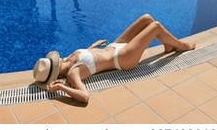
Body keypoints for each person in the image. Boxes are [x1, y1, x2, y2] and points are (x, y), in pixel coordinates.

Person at [33, 14, 195, 104]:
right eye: (56, 62)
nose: (58, 58)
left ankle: (167, 46)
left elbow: (88, 56)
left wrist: (93, 46)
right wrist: (62, 89)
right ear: (56, 71)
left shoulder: (68, 58)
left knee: (147, 19)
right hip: (123, 58)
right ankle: (181, 46)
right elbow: (85, 97)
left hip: (115, 46)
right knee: (156, 26)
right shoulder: (72, 74)